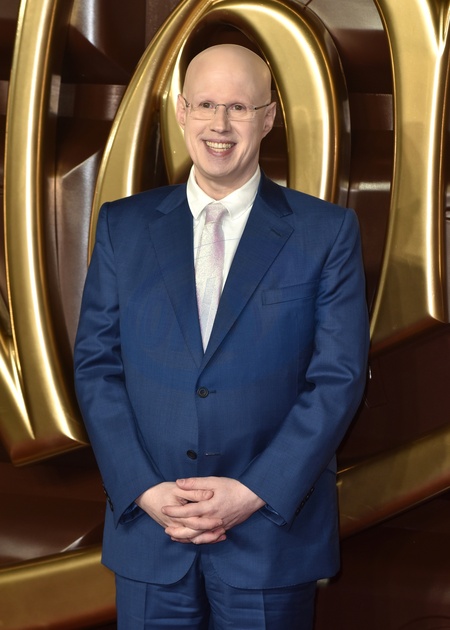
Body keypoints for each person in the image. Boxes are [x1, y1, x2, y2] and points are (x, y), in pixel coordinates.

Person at [74, 44, 369, 629]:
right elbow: (96, 368)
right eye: (206, 104)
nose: (220, 124)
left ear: (269, 117)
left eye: (239, 107)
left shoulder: (326, 231)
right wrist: (144, 490)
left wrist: (254, 492)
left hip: (270, 536)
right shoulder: (121, 226)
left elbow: (337, 379)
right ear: (181, 111)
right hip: (151, 532)